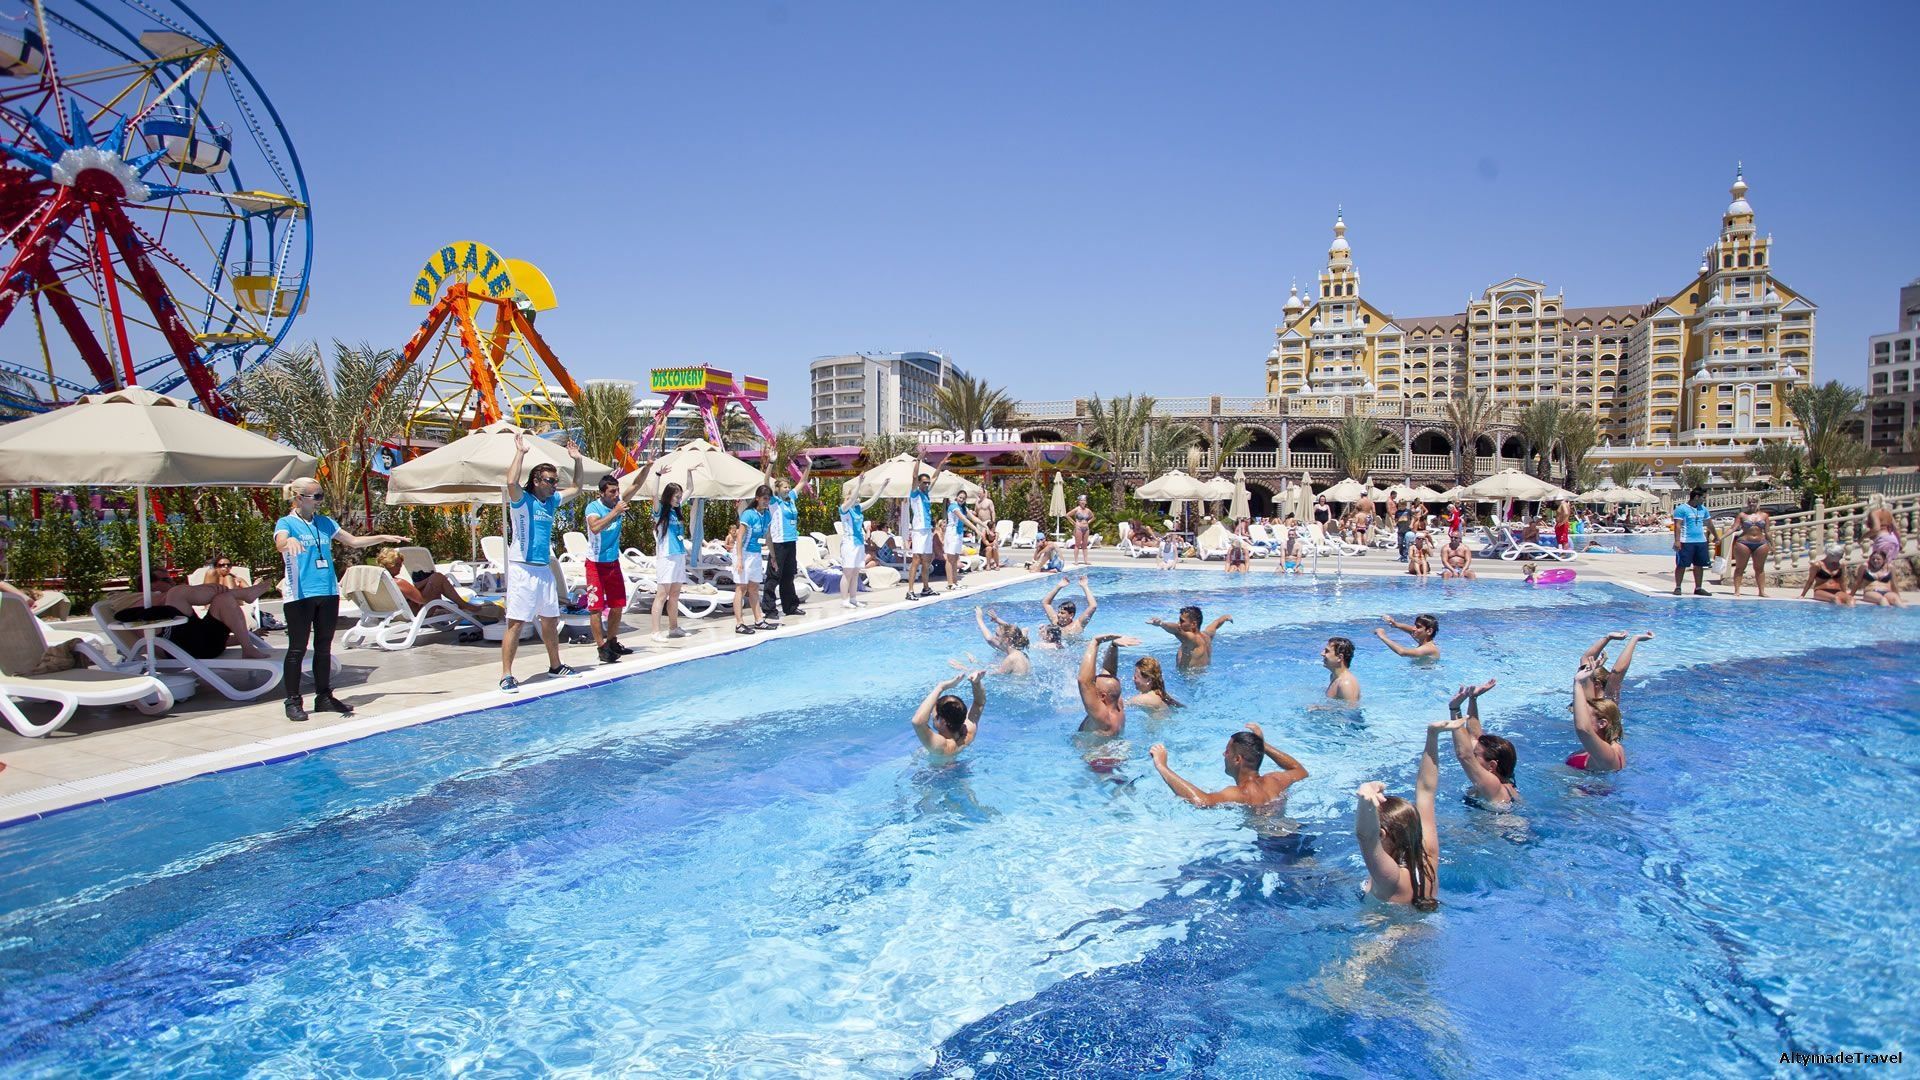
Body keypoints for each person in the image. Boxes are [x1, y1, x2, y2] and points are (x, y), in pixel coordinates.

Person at [274, 476, 407, 721]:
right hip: (300, 594)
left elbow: (353, 541)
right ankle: (292, 701)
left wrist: (382, 537)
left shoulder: (324, 522)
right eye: (317, 496)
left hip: (327, 591)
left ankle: (324, 697)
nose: (320, 501)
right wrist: (288, 541)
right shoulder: (286, 523)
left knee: (324, 647)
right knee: (297, 648)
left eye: (321, 495)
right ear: (299, 498)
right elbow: (281, 542)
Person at [499, 435, 585, 693]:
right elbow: (511, 481)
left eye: (555, 481)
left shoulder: (552, 502)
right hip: (522, 567)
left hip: (543, 568)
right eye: (550, 481)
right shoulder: (522, 499)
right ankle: (506, 675)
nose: (554, 486)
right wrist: (521, 453)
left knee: (550, 619)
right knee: (516, 622)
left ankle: (555, 666)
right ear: (536, 481)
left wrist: (578, 460)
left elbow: (577, 488)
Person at [1354, 719, 1445, 911]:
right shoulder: (1427, 857)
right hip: (1429, 923)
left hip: (1389, 928)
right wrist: (1432, 735)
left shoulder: (1390, 876)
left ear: (1382, 833)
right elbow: (1426, 791)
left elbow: (1365, 837)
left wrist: (1364, 799)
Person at [1150, 722, 1308, 808]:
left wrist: (1162, 766)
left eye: (1227, 752)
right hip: (1295, 833)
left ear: (1237, 759)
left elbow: (1202, 801)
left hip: (1274, 846)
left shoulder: (1240, 793)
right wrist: (1262, 745)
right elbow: (1299, 770)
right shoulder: (1274, 781)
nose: (1223, 755)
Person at [583, 472, 637, 661]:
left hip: (613, 562)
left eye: (617, 491)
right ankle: (602, 648)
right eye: (612, 492)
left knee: (617, 604)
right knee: (596, 608)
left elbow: (636, 485)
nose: (616, 495)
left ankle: (612, 641)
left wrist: (649, 467)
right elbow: (595, 527)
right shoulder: (593, 507)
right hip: (595, 564)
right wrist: (615, 512)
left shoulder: (618, 502)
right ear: (602, 493)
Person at [371, 549, 500, 624]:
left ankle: (460, 603)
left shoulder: (379, 581)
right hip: (418, 612)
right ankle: (463, 604)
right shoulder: (399, 582)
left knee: (434, 579)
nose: (400, 568)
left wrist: (427, 581)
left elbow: (412, 592)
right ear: (390, 564)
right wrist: (434, 584)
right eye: (398, 565)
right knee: (438, 577)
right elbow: (421, 600)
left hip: (395, 613)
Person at [1445, 679, 1515, 810]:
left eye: (1475, 755)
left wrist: (1454, 709)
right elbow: (1475, 738)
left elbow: (1464, 756)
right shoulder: (1504, 778)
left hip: (1503, 824)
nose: (1471, 754)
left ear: (1492, 765)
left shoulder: (1493, 785)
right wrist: (1473, 698)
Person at [761, 466, 810, 621]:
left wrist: (809, 465)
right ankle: (769, 609)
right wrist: (771, 463)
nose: (788, 489)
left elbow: (802, 482)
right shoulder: (774, 502)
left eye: (789, 486)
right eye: (785, 487)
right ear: (778, 489)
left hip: (791, 542)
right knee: (774, 577)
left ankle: (790, 607)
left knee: (788, 576)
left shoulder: (791, 499)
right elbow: (765, 482)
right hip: (779, 543)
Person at [651, 479, 698, 640]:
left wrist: (689, 472)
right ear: (669, 496)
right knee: (662, 594)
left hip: (679, 555)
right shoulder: (660, 511)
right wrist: (658, 475)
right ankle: (655, 631)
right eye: (676, 496)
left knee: (675, 594)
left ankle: (673, 627)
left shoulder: (677, 510)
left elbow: (690, 489)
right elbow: (654, 494)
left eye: (679, 496)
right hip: (666, 557)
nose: (679, 499)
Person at [910, 669, 985, 759]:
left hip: (937, 768)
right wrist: (976, 683)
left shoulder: (942, 746)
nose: (931, 715)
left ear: (942, 721)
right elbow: (979, 703)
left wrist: (941, 687)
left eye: (933, 714)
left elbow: (918, 722)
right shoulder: (968, 734)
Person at [729, 484, 771, 635]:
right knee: (741, 587)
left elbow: (768, 537)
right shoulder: (748, 514)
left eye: (768, 499)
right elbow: (740, 537)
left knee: (754, 587)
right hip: (744, 553)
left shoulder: (767, 515)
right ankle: (739, 623)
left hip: (756, 554)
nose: (766, 501)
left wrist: (773, 556)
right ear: (757, 498)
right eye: (764, 498)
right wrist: (740, 559)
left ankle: (758, 620)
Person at [1567, 665, 1626, 772]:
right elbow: (1588, 700)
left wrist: (1578, 683)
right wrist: (1586, 677)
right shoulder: (1610, 746)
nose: (1581, 717)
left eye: (1586, 716)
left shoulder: (1608, 755)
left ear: (1602, 723)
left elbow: (1583, 729)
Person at [1576, 630, 1654, 704]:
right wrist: (1634, 639)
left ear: (1597, 684)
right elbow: (1619, 671)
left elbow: (1618, 670)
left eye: (1584, 681)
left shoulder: (1605, 698)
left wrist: (1608, 637)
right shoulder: (1608, 698)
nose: (1582, 683)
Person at [1075, 633, 1130, 737]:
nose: (1092, 687)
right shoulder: (1118, 705)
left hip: (1094, 748)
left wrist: (1095, 642)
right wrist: (1113, 646)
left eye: (1094, 686)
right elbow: (1109, 672)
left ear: (1103, 696)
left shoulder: (1103, 719)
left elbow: (1084, 682)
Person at [1147, 604, 1232, 671]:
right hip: (1203, 674)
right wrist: (1225, 617)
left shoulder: (1191, 638)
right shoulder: (1207, 635)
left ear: (1193, 624)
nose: (1179, 623)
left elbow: (1176, 630)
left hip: (1189, 681)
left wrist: (1161, 624)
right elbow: (1216, 623)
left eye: (1182, 621)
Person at [1671, 487, 1718, 596]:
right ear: (1696, 497)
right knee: (1682, 565)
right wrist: (1677, 541)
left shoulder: (1703, 509)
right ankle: (1678, 587)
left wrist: (1716, 536)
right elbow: (1677, 525)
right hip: (1686, 541)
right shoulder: (1681, 509)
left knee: (1699, 565)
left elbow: (1709, 524)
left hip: (1701, 541)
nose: (1704, 500)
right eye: (1703, 498)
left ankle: (1698, 588)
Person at [1726, 496, 1772, 598]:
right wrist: (1721, 538)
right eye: (1750, 502)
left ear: (1758, 503)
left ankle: (1761, 591)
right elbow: (1733, 528)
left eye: (1754, 502)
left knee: (1759, 568)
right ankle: (1737, 590)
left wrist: (1772, 544)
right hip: (1744, 543)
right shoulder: (1742, 515)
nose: (1752, 504)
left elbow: (1767, 531)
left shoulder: (1764, 515)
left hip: (1761, 543)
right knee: (1740, 567)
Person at [975, 605, 1033, 676]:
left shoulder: (1011, 658)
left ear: (1006, 639)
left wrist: (975, 662)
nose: (995, 637)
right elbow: (1015, 633)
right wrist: (997, 620)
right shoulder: (1024, 654)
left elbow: (992, 675)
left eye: (997, 635)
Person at [905, 472, 936, 600]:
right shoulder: (915, 494)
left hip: (927, 530)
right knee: (916, 560)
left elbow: (934, 478)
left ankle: (926, 588)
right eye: (924, 483)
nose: (927, 485)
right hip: (918, 530)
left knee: (926, 561)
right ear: (918, 483)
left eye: (928, 483)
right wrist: (918, 461)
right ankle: (910, 591)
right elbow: (913, 476)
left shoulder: (926, 494)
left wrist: (941, 464)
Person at [838, 488, 869, 610]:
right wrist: (860, 483)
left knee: (856, 574)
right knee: (848, 573)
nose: (858, 499)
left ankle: (853, 599)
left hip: (859, 543)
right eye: (857, 496)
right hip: (849, 543)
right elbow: (851, 500)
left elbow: (872, 500)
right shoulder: (844, 509)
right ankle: (844, 600)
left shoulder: (858, 508)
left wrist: (882, 487)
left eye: (859, 497)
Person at [941, 491, 973, 590]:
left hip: (958, 534)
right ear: (956, 497)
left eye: (963, 498)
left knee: (955, 559)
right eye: (960, 497)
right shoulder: (953, 506)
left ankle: (955, 582)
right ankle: (950, 583)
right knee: (950, 559)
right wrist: (976, 530)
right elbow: (964, 519)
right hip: (952, 534)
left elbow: (973, 518)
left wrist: (984, 526)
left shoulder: (963, 508)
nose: (961, 500)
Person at [1374, 613, 1439, 659]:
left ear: (1429, 631)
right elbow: (1411, 630)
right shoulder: (1424, 641)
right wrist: (1395, 624)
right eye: (1415, 625)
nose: (1413, 628)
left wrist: (1382, 636)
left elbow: (1402, 652)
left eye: (1418, 627)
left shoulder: (1429, 648)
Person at [1322, 635, 1360, 704]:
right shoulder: (1334, 676)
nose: (1322, 653)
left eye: (1326, 651)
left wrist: (1321, 708)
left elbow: (1352, 709)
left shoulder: (1346, 684)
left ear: (1339, 658)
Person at [973, 488, 1001, 570]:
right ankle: (985, 557)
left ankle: (992, 560)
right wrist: (971, 512)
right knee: (981, 541)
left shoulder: (989, 501)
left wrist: (993, 522)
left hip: (987, 522)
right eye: (978, 493)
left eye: (980, 493)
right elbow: (976, 512)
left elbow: (992, 511)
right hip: (979, 523)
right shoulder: (977, 502)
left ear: (984, 493)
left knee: (989, 540)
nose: (979, 494)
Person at [1070, 494, 1094, 566]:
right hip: (1079, 528)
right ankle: (1076, 561)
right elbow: (1067, 515)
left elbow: (1093, 517)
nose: (1083, 502)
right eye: (1081, 500)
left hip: (1086, 528)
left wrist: (1088, 522)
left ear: (1086, 502)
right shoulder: (1077, 509)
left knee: (1085, 545)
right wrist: (1074, 523)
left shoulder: (1088, 510)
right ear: (1079, 502)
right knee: (1077, 544)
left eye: (1084, 500)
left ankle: (1086, 560)